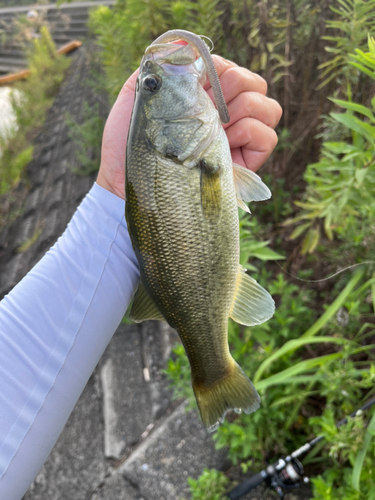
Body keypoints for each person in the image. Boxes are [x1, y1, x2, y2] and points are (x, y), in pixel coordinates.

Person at [0, 56, 282, 500]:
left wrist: (113, 198)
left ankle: (214, 374)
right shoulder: (181, 146)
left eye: (148, 86)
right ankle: (215, 374)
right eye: (152, 86)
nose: (153, 82)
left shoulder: (178, 147)